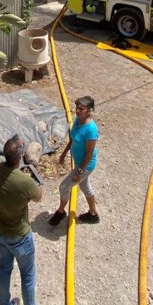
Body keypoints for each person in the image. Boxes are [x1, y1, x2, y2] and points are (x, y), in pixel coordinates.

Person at [0, 135, 43, 305]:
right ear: (21, 158)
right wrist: (30, 179)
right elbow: (38, 196)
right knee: (28, 276)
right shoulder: (24, 181)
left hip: (0, 230)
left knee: (5, 269)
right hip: (19, 236)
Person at [49, 95, 100, 226]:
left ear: (89, 110)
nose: (77, 111)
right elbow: (72, 138)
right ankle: (93, 214)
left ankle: (60, 212)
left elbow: (89, 154)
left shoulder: (91, 130)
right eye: (77, 107)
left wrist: (79, 172)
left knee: (64, 187)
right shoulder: (78, 120)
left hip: (85, 166)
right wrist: (64, 153)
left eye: (81, 109)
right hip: (79, 163)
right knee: (84, 185)